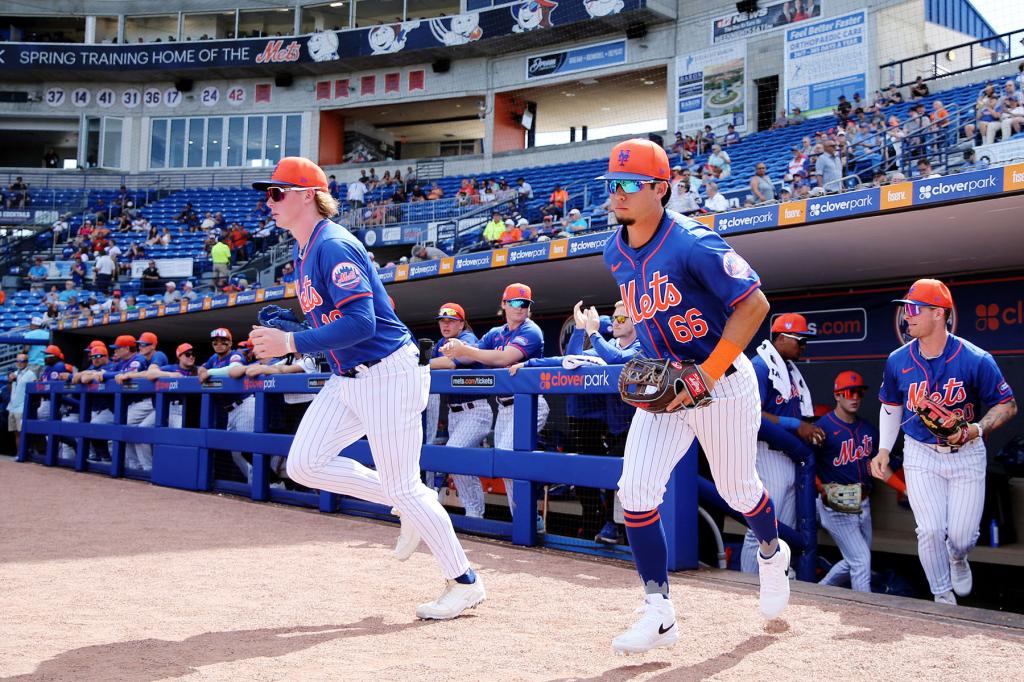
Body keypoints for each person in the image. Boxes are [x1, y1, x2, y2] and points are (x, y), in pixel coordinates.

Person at [247, 156, 482, 619]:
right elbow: (339, 320)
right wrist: (299, 327)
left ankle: (464, 581)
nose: (268, 201)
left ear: (305, 196)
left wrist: (292, 340)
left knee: (406, 487)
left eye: (276, 192)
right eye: (268, 193)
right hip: (349, 375)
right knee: (306, 463)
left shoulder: (332, 244)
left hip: (386, 371)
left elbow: (362, 321)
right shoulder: (304, 248)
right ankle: (411, 505)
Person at [597, 138, 785, 654]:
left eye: (629, 184)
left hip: (721, 381)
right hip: (666, 388)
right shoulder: (613, 249)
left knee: (739, 490)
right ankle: (659, 612)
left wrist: (704, 373)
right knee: (634, 492)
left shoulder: (693, 242)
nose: (617, 193)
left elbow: (755, 306)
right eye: (612, 184)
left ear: (661, 188)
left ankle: (771, 552)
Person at [870, 279, 1017, 605]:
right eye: (905, 309)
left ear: (939, 313)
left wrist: (974, 430)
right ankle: (941, 594)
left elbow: (1007, 404)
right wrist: (883, 448)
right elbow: (891, 406)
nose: (906, 316)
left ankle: (959, 558)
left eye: (913, 309)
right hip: (921, 452)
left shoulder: (975, 358)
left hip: (965, 453)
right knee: (930, 530)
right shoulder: (898, 359)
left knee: (962, 536)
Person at [510, 300, 641, 543]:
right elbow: (572, 359)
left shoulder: (643, 345)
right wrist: (580, 330)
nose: (616, 322)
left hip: (644, 427)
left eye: (622, 319)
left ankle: (616, 527)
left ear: (637, 322)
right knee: (606, 472)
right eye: (614, 318)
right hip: (617, 429)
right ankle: (613, 527)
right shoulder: (608, 344)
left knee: (614, 469)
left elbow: (617, 359)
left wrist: (593, 333)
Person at [441, 283, 550, 530]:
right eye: (514, 302)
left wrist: (464, 348)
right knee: (505, 463)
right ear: (503, 304)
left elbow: (504, 358)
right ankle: (523, 521)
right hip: (504, 407)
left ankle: (529, 521)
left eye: (525, 304)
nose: (520, 308)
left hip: (529, 403)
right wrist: (454, 349)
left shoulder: (531, 331)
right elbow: (468, 357)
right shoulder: (495, 333)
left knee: (508, 458)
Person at [741, 313, 823, 574]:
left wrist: (807, 427)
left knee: (781, 533)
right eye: (799, 340)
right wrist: (796, 426)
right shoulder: (761, 366)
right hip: (766, 452)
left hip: (789, 457)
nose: (803, 346)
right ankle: (746, 588)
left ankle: (771, 586)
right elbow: (751, 413)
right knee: (759, 530)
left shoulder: (790, 371)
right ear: (781, 338)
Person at [815, 371, 879, 593]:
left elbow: (880, 465)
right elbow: (805, 462)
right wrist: (819, 488)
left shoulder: (868, 429)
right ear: (837, 395)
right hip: (837, 503)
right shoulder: (822, 427)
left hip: (863, 501)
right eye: (849, 393)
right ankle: (865, 610)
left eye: (859, 392)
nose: (855, 397)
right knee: (861, 560)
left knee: (858, 558)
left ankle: (821, 591)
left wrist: (903, 488)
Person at [427, 303, 490, 518]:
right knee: (460, 463)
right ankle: (474, 513)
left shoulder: (468, 339)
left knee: (454, 453)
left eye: (451, 321)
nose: (446, 325)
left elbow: (452, 362)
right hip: (454, 413)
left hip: (476, 410)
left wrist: (423, 363)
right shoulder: (439, 344)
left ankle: (475, 513)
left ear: (461, 323)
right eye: (442, 321)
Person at [7, 354, 37, 455]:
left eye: (22, 361)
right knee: (16, 433)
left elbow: (35, 391)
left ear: (27, 362)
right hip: (13, 406)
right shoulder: (14, 373)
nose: (20, 363)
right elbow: (10, 390)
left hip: (22, 407)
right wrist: (10, 382)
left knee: (22, 432)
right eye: (18, 361)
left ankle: (24, 454)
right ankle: (19, 453)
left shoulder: (31, 374)